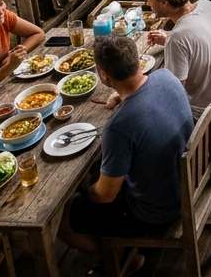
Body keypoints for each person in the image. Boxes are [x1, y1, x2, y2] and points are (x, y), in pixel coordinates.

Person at [64, 35, 194, 257]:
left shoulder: (118, 127)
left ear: (103, 74)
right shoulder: (166, 76)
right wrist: (123, 97)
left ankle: (121, 257)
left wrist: (85, 190)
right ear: (136, 60)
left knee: (66, 214)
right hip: (187, 184)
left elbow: (105, 195)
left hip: (157, 213)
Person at [141, 0, 211, 130]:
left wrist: (134, 89)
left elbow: (174, 95)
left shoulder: (178, 38)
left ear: (164, 2)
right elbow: (199, 38)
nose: (147, 3)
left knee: (144, 117)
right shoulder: (207, 5)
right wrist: (168, 38)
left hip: (209, 117)